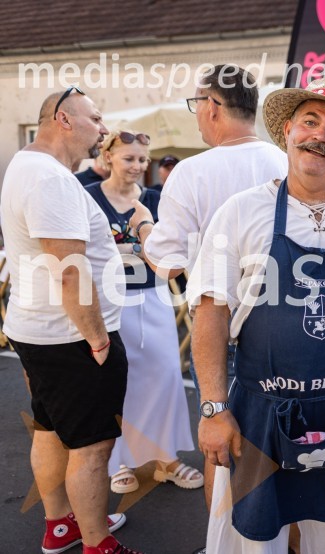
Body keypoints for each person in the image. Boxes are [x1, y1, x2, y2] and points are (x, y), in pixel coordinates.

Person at [187, 75, 325, 553]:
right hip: (259, 412)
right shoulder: (241, 212)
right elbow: (210, 312)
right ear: (287, 132)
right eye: (310, 122)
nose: (320, 136)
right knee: (252, 541)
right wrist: (214, 409)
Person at [129, 64, 288, 517]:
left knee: (221, 446)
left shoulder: (192, 172)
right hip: (288, 328)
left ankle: (223, 544)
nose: (196, 116)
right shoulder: (289, 161)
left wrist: (142, 227)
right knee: (288, 450)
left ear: (213, 107)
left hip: (221, 332)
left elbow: (166, 261)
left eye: (196, 105)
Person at [0, 88, 141, 553]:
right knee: (93, 445)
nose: (103, 128)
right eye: (96, 118)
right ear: (63, 119)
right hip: (71, 337)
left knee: (51, 428)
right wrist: (98, 338)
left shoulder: (26, 165)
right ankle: (99, 543)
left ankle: (62, 525)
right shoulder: (50, 179)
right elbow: (70, 270)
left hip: (39, 329)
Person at [84, 130, 202, 495]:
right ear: (108, 159)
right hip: (109, 301)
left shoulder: (156, 199)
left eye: (141, 159)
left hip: (153, 297)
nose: (136, 166)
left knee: (165, 376)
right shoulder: (88, 198)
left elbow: (171, 253)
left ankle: (166, 458)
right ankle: (119, 460)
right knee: (119, 381)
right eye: (128, 158)